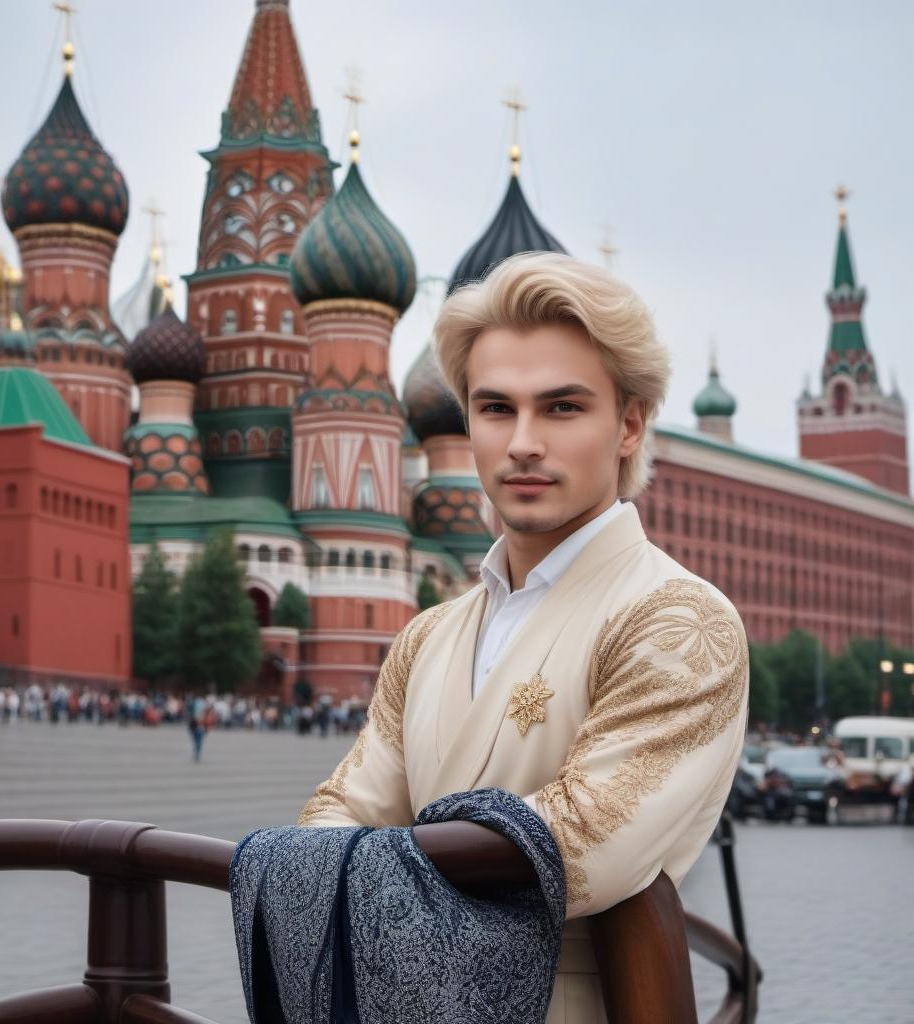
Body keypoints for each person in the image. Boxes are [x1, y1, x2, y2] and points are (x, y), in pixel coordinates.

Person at [296, 253, 749, 1022]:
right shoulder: (426, 637)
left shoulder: (678, 620)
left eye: (563, 408)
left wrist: (370, 865)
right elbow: (336, 812)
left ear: (630, 423)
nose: (522, 443)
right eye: (496, 408)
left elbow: (583, 847)